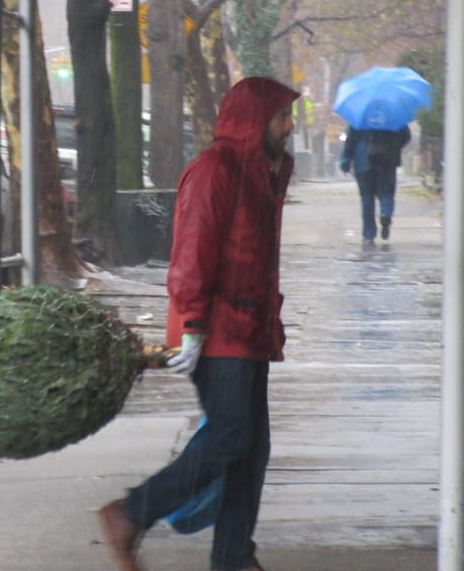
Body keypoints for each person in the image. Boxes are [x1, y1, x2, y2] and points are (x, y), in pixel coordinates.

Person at [98, 76, 298, 571]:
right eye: (281, 116)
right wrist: (191, 323)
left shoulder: (264, 171)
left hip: (249, 329)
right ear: (256, 120)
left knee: (250, 449)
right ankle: (131, 513)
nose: (289, 126)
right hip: (216, 329)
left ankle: (234, 557)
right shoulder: (217, 168)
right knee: (231, 436)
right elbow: (191, 250)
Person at [338, 124, 411, 243]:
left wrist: (345, 162)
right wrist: (395, 146)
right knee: (386, 191)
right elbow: (406, 136)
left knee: (367, 197)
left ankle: (369, 233)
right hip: (386, 159)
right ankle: (385, 213)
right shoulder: (391, 115)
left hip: (363, 161)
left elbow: (350, 141)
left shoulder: (361, 117)